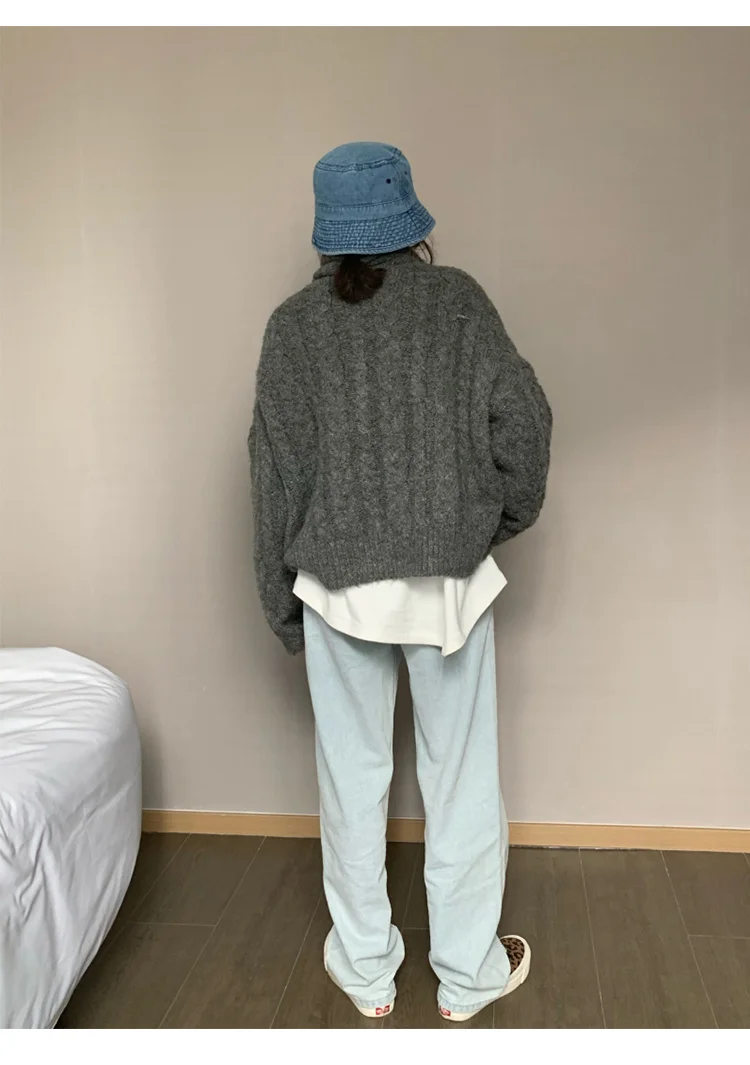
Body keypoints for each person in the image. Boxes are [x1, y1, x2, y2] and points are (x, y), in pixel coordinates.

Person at [249, 141, 552, 1022]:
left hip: (337, 587)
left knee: (352, 779)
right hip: (446, 584)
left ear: (328, 231)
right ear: (407, 219)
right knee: (462, 780)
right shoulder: (458, 302)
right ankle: (467, 974)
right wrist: (487, 523)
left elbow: (273, 476)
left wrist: (280, 603)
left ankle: (368, 970)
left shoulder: (293, 328)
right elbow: (524, 423)